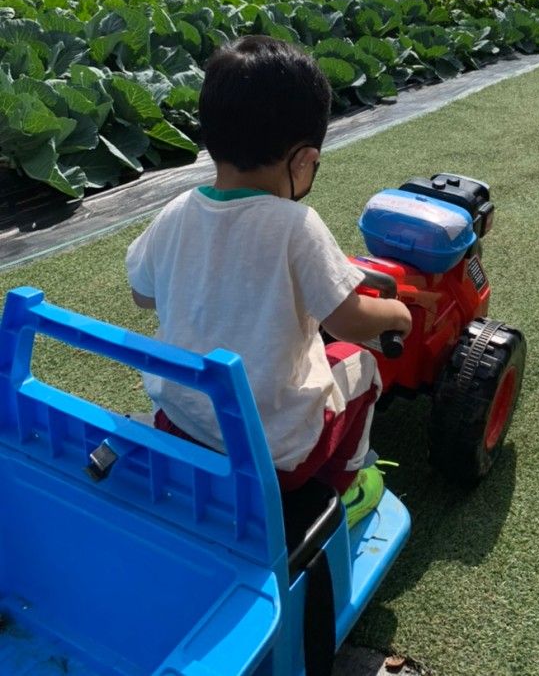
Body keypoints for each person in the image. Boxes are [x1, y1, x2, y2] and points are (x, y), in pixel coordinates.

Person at [126, 35, 412, 527]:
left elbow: (142, 295)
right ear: (303, 160)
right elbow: (349, 322)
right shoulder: (296, 227)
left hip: (177, 423)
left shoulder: (174, 213)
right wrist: (399, 313)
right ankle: (347, 485)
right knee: (361, 366)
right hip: (273, 459)